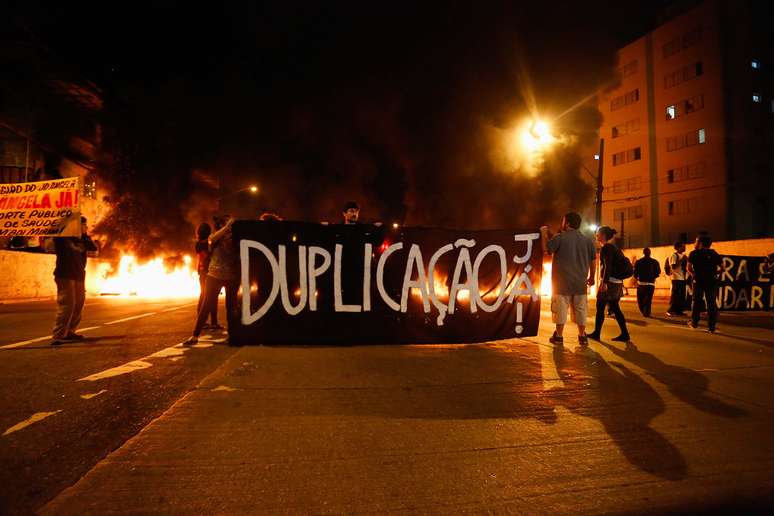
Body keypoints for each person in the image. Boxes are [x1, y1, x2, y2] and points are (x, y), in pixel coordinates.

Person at [540, 212, 597, 346]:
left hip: (561, 283)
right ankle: (582, 336)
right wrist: (592, 277)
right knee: (581, 309)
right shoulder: (587, 241)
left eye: (563, 221)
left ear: (568, 223)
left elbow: (546, 250)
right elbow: (593, 261)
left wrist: (543, 233)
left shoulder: (560, 238)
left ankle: (559, 336)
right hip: (580, 283)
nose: (562, 223)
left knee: (560, 310)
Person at [185, 216, 238, 345]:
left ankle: (233, 336)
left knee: (231, 307)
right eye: (227, 226)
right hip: (214, 276)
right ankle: (195, 336)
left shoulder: (236, 240)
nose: (229, 229)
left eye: (230, 227)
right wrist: (226, 228)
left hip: (231, 277)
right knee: (206, 304)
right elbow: (211, 239)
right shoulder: (214, 240)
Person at [50, 216, 98, 345]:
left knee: (78, 305)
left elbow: (93, 247)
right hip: (65, 274)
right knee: (67, 305)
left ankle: (70, 331)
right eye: (83, 225)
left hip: (79, 275)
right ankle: (58, 335)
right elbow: (55, 230)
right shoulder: (62, 237)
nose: (86, 227)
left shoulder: (83, 239)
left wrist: (84, 235)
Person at [588, 226, 631, 342]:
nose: (596, 235)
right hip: (617, 283)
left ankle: (597, 333)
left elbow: (608, 265)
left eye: (597, 233)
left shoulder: (606, 248)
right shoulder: (615, 248)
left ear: (603, 235)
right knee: (615, 308)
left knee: (600, 308)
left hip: (609, 283)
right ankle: (625, 334)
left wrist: (604, 282)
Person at [687, 235, 722, 332]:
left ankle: (694, 323)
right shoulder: (714, 253)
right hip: (711, 281)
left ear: (700, 243)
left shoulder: (693, 253)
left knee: (696, 301)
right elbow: (722, 267)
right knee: (711, 302)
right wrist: (716, 273)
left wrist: (693, 274)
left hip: (698, 281)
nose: (695, 243)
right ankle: (711, 327)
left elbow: (688, 267)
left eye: (696, 241)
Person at [195, 223, 220, 330]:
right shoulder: (207, 243)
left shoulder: (198, 243)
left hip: (203, 272)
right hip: (208, 272)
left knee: (205, 295)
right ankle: (211, 322)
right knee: (210, 296)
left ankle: (207, 322)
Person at [633, 247, 660, 317]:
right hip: (650, 284)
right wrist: (652, 277)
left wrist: (637, 278)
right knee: (648, 300)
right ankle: (646, 313)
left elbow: (635, 273)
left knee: (640, 300)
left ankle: (644, 311)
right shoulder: (655, 262)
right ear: (650, 253)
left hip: (641, 284)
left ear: (643, 253)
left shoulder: (638, 262)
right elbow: (658, 273)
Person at [666, 241, 688, 316]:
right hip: (676, 278)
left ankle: (679, 311)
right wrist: (682, 260)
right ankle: (670, 310)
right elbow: (673, 267)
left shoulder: (682, 255)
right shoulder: (674, 255)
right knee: (676, 295)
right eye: (683, 246)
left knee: (681, 296)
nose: (685, 247)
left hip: (682, 278)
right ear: (678, 247)